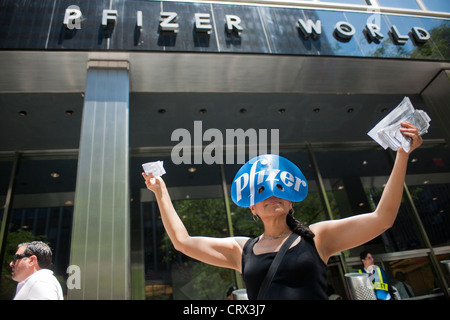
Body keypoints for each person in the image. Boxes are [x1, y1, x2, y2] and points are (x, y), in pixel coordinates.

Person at [142, 121, 422, 300]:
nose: (272, 195)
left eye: (279, 189)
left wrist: (402, 155)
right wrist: (160, 192)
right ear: (252, 207)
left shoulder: (318, 237)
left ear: (291, 201)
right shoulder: (243, 250)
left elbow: (382, 218)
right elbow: (183, 242)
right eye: (262, 191)